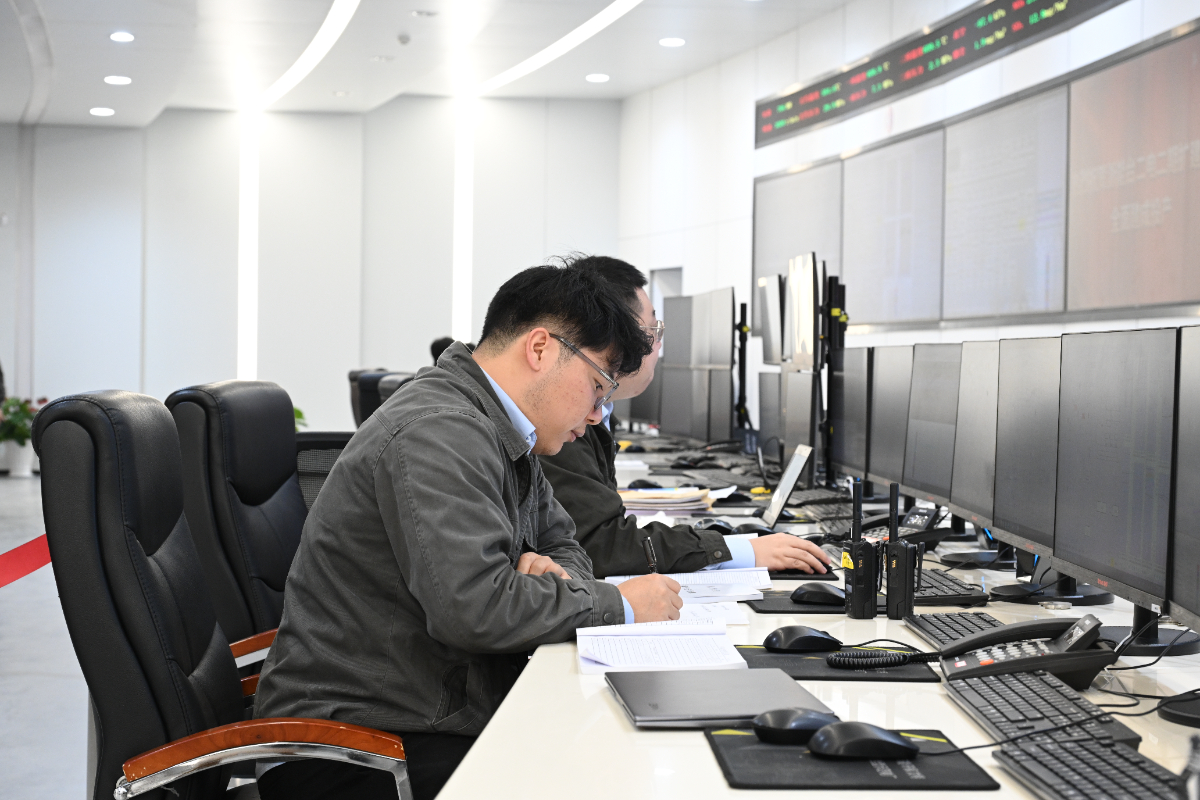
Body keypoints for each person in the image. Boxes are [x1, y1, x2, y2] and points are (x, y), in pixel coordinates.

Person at [254, 263, 682, 800]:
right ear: (541, 348)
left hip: (429, 707)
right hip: (354, 745)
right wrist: (619, 604)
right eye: (597, 386)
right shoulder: (438, 431)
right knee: (601, 775)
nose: (598, 413)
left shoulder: (503, 429)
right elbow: (475, 608)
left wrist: (556, 580)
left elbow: (564, 543)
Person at [539, 256, 832, 578]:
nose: (656, 347)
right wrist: (737, 550)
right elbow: (602, 544)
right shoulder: (561, 421)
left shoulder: (591, 416)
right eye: (653, 331)